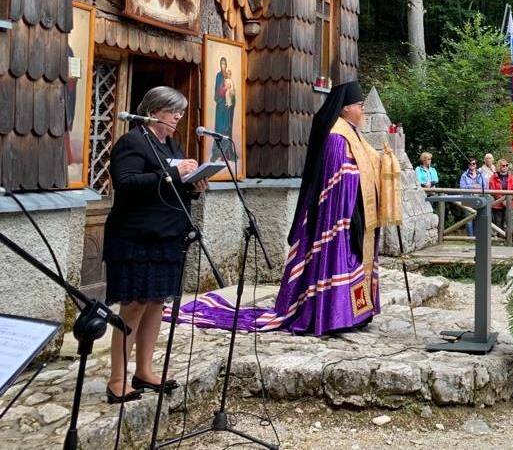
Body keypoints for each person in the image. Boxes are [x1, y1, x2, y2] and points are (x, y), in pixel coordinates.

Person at [172, 81, 399, 338]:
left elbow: (366, 169)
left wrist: (386, 166)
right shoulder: (337, 137)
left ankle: (355, 313)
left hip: (355, 212)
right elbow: (340, 181)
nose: (363, 110)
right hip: (338, 216)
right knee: (340, 261)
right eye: (359, 105)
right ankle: (336, 316)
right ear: (346, 108)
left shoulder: (353, 133)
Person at [104, 87, 207, 403]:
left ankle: (144, 371)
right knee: (134, 304)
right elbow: (126, 183)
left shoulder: (171, 144)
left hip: (166, 236)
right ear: (153, 111)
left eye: (181, 112)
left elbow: (172, 188)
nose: (178, 117)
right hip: (136, 236)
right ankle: (117, 379)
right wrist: (174, 172)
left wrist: (195, 185)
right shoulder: (133, 142)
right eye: (172, 111)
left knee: (156, 303)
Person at [213, 57, 237, 160]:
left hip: (227, 108)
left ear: (226, 65)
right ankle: (219, 153)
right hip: (220, 107)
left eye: (224, 64)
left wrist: (230, 95)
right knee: (220, 129)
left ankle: (227, 153)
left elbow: (233, 93)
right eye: (221, 64)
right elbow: (216, 94)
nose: (223, 66)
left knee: (227, 129)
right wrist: (223, 90)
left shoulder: (228, 76)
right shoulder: (218, 76)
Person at [490, 159, 513, 232]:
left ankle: (509, 237)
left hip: (508, 203)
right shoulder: (493, 177)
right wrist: (502, 200)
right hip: (497, 203)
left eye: (506, 165)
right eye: (503, 165)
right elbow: (492, 190)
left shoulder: (511, 177)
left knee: (509, 222)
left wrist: (508, 201)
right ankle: (499, 237)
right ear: (499, 166)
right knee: (498, 222)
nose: (505, 167)